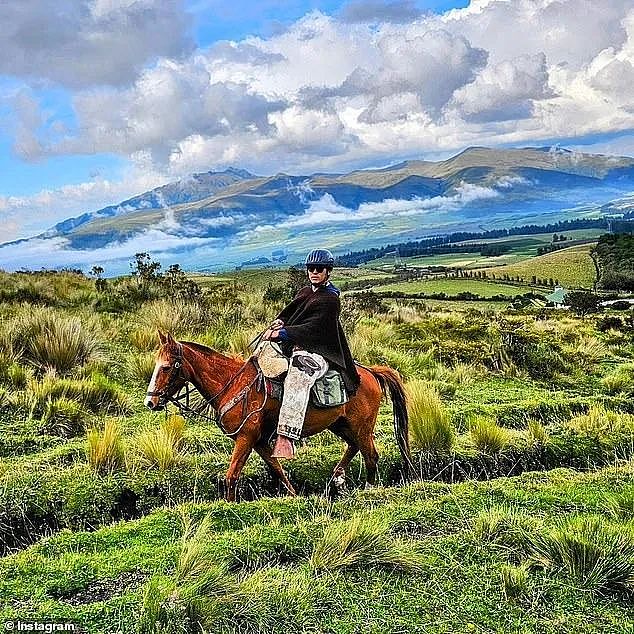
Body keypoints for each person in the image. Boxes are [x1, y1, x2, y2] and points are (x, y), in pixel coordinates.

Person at [262, 248, 360, 458]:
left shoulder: (331, 299)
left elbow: (313, 329)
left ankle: (286, 436)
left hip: (319, 351)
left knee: (298, 376)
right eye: (310, 269)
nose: (314, 272)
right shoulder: (306, 292)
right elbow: (291, 312)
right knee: (260, 358)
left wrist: (282, 332)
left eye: (319, 268)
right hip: (294, 345)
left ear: (328, 271)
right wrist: (280, 321)